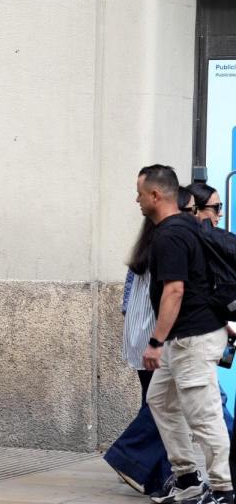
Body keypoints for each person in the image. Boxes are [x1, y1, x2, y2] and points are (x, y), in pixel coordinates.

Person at [105, 187, 233, 497]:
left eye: (218, 208)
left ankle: (222, 487)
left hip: (185, 338)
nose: (217, 215)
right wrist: (155, 341)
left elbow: (186, 291)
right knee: (163, 402)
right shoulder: (171, 237)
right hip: (171, 338)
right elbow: (170, 292)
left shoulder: (176, 237)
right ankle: (185, 477)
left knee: (205, 412)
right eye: (215, 208)